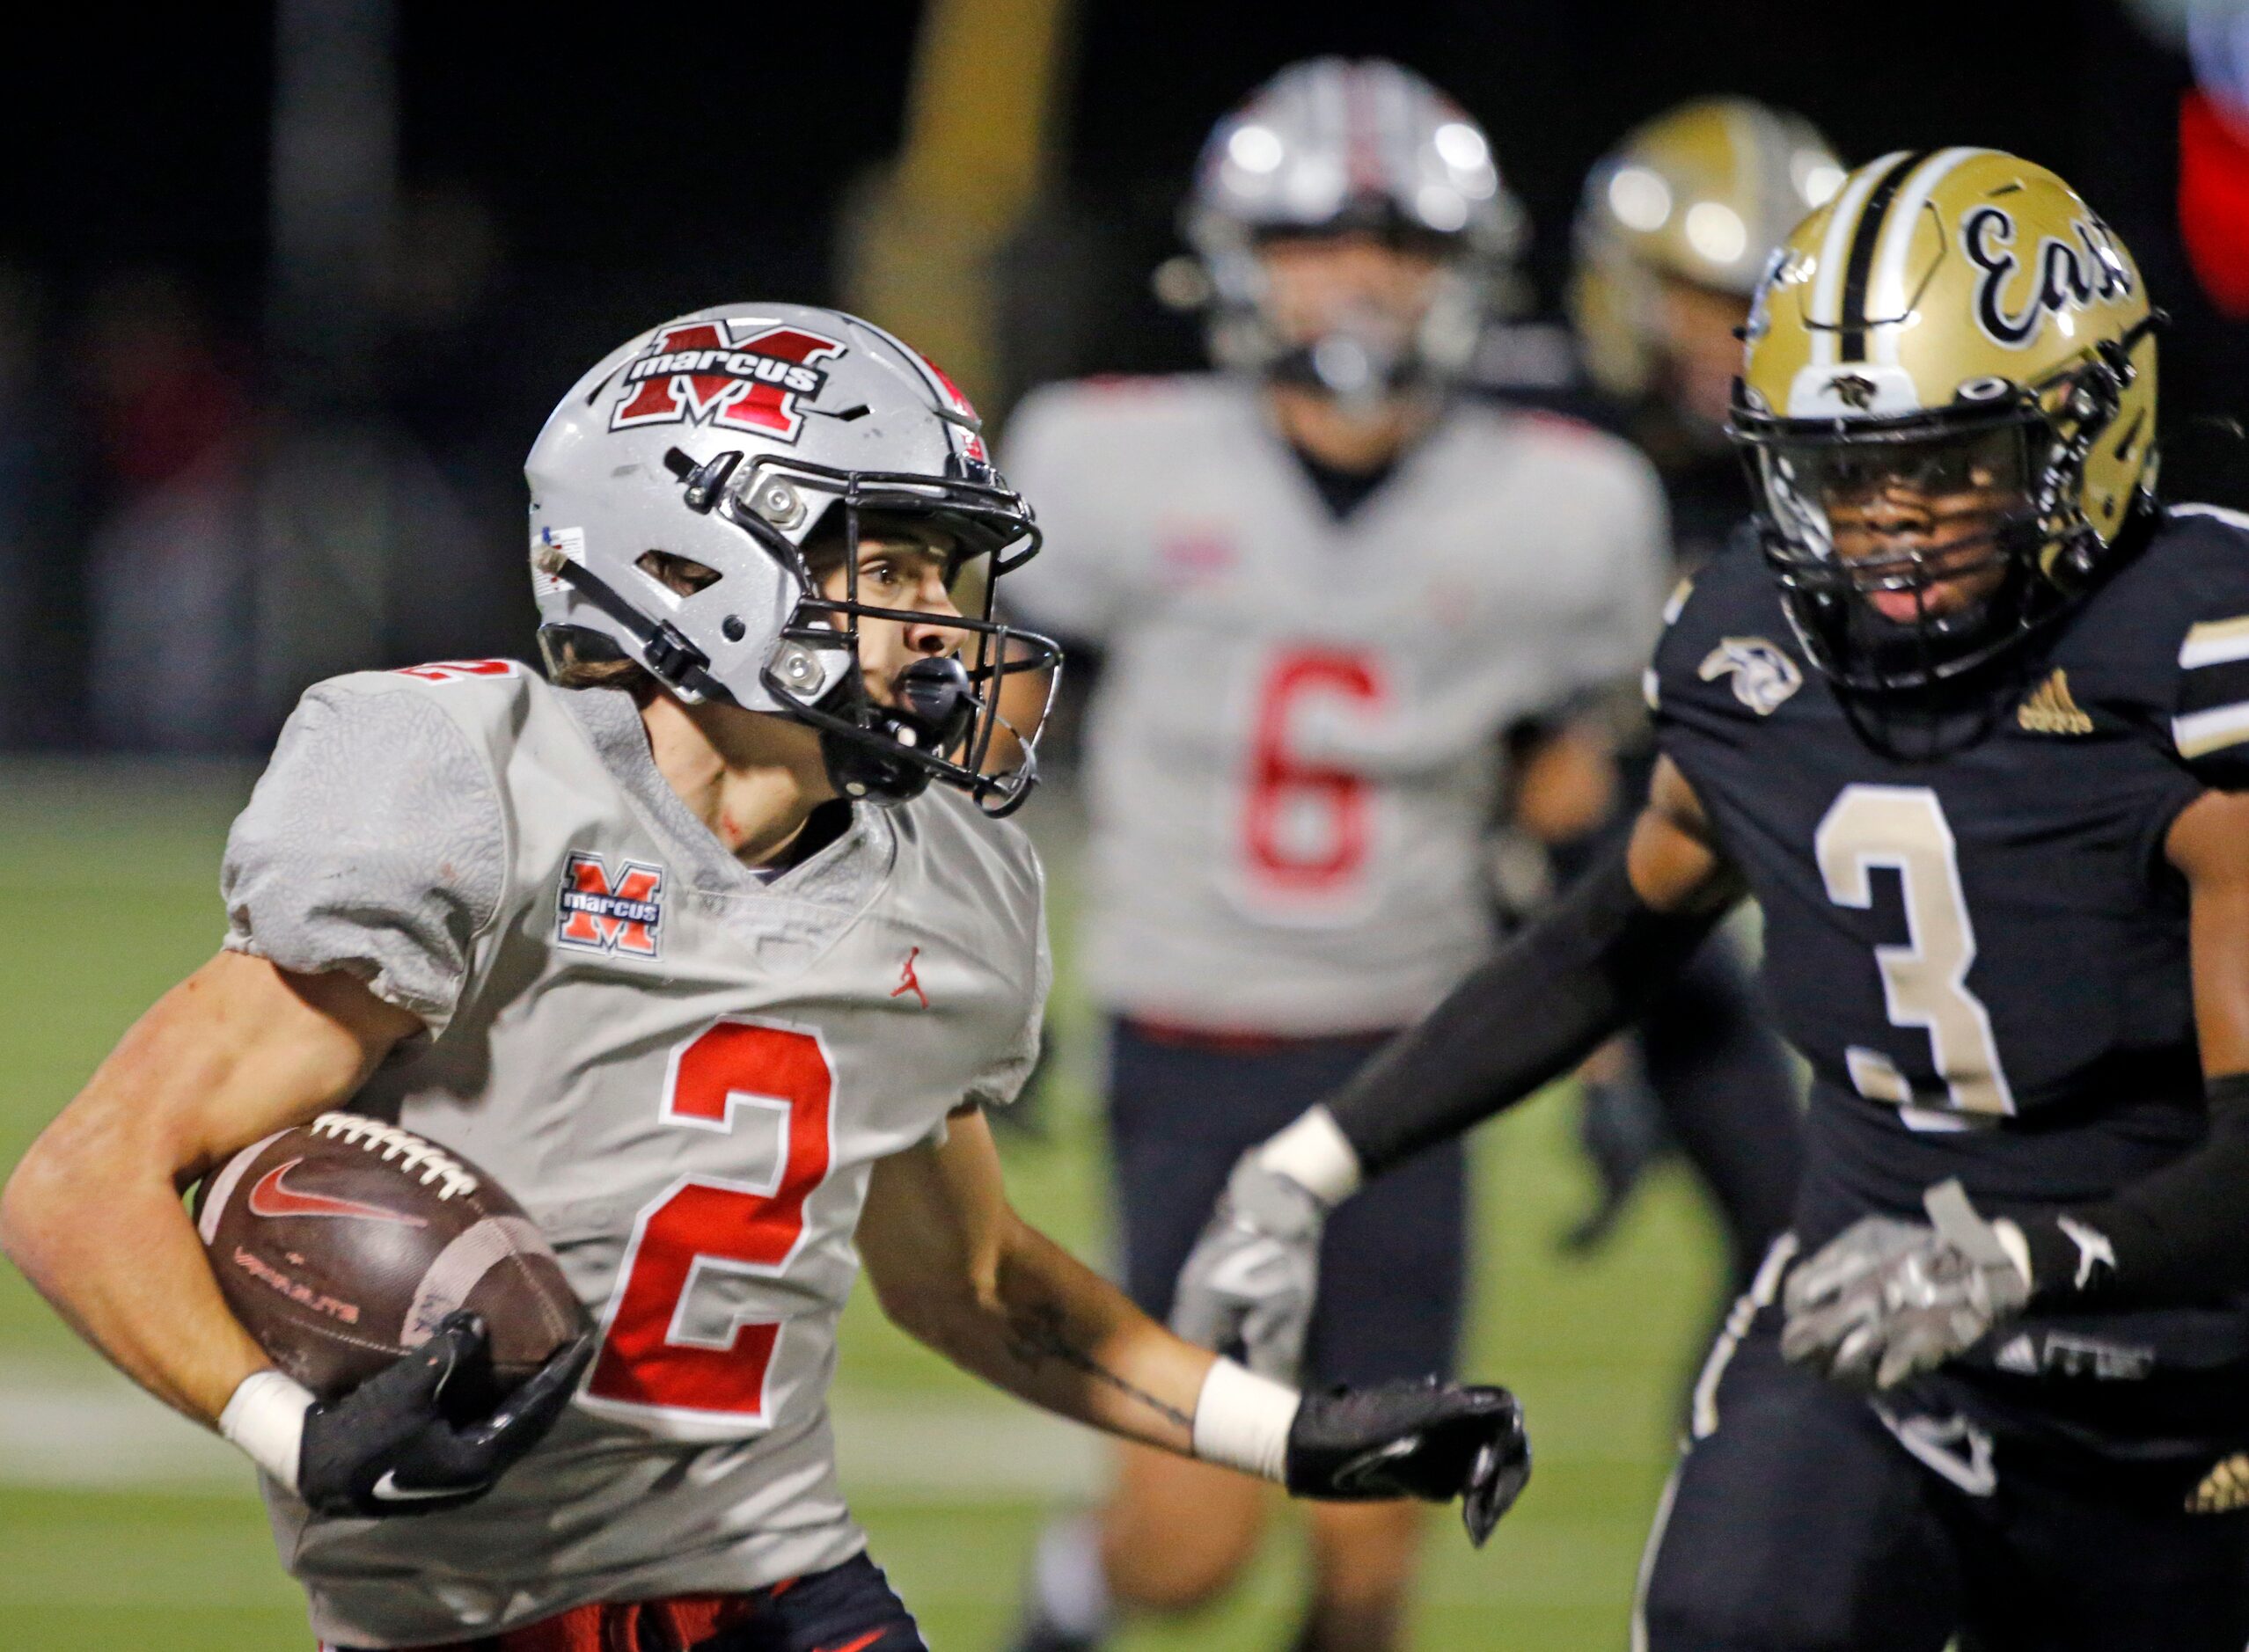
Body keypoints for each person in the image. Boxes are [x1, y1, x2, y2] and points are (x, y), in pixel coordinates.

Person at [0, 303, 1528, 1652]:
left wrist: (1295, 1434)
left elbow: (977, 1282)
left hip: (786, 1590)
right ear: (687, 556)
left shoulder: (949, 873)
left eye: (955, 568)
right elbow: (84, 1183)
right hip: (456, 1621)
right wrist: (297, 1430)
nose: (946, 617)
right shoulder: (478, 786)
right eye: (890, 561)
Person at [1172, 150, 2249, 1649]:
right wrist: (1308, 1163)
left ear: (2091, 434)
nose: (1882, 524)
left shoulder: (2199, 666)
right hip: (1879, 1337)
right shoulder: (1753, 648)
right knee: (1736, 1617)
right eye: (1840, 468)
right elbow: (1614, 934)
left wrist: (2025, 1259)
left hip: (2197, 1383)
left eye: (1944, 465)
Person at [998, 60, 1670, 1652]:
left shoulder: (1565, 503)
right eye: (1314, 238)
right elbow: (984, 745)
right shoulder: (1107, 459)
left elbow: (1581, 801)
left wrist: (1605, 1055)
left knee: (1375, 1554)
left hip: (1410, 1064)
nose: (1359, 275)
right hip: (1195, 1041)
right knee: (1184, 1545)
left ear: (1470, 268)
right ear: (1235, 256)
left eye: (1401, 243)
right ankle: (1068, 1600)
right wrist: (975, 978)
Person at [1508, 98, 1847, 1276]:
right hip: (1422, 909)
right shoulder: (1510, 441)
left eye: (1773, 305)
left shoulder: (1820, 479)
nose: (1742, 340)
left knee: (1796, 1228)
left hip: (1658, 918)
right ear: (1625, 287)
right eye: (1711, 299)